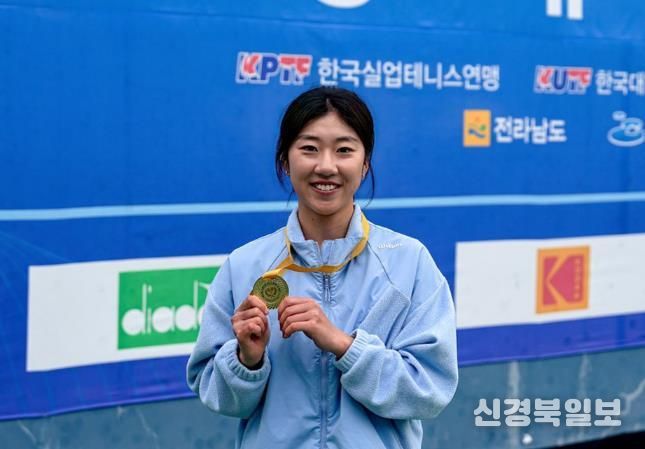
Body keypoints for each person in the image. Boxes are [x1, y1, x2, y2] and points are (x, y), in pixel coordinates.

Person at [186, 86, 458, 449]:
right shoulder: (245, 266)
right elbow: (218, 396)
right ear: (285, 161)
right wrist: (246, 360)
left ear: (365, 164)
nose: (326, 166)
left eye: (344, 150)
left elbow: (430, 390)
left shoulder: (409, 263)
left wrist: (344, 346)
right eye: (309, 148)